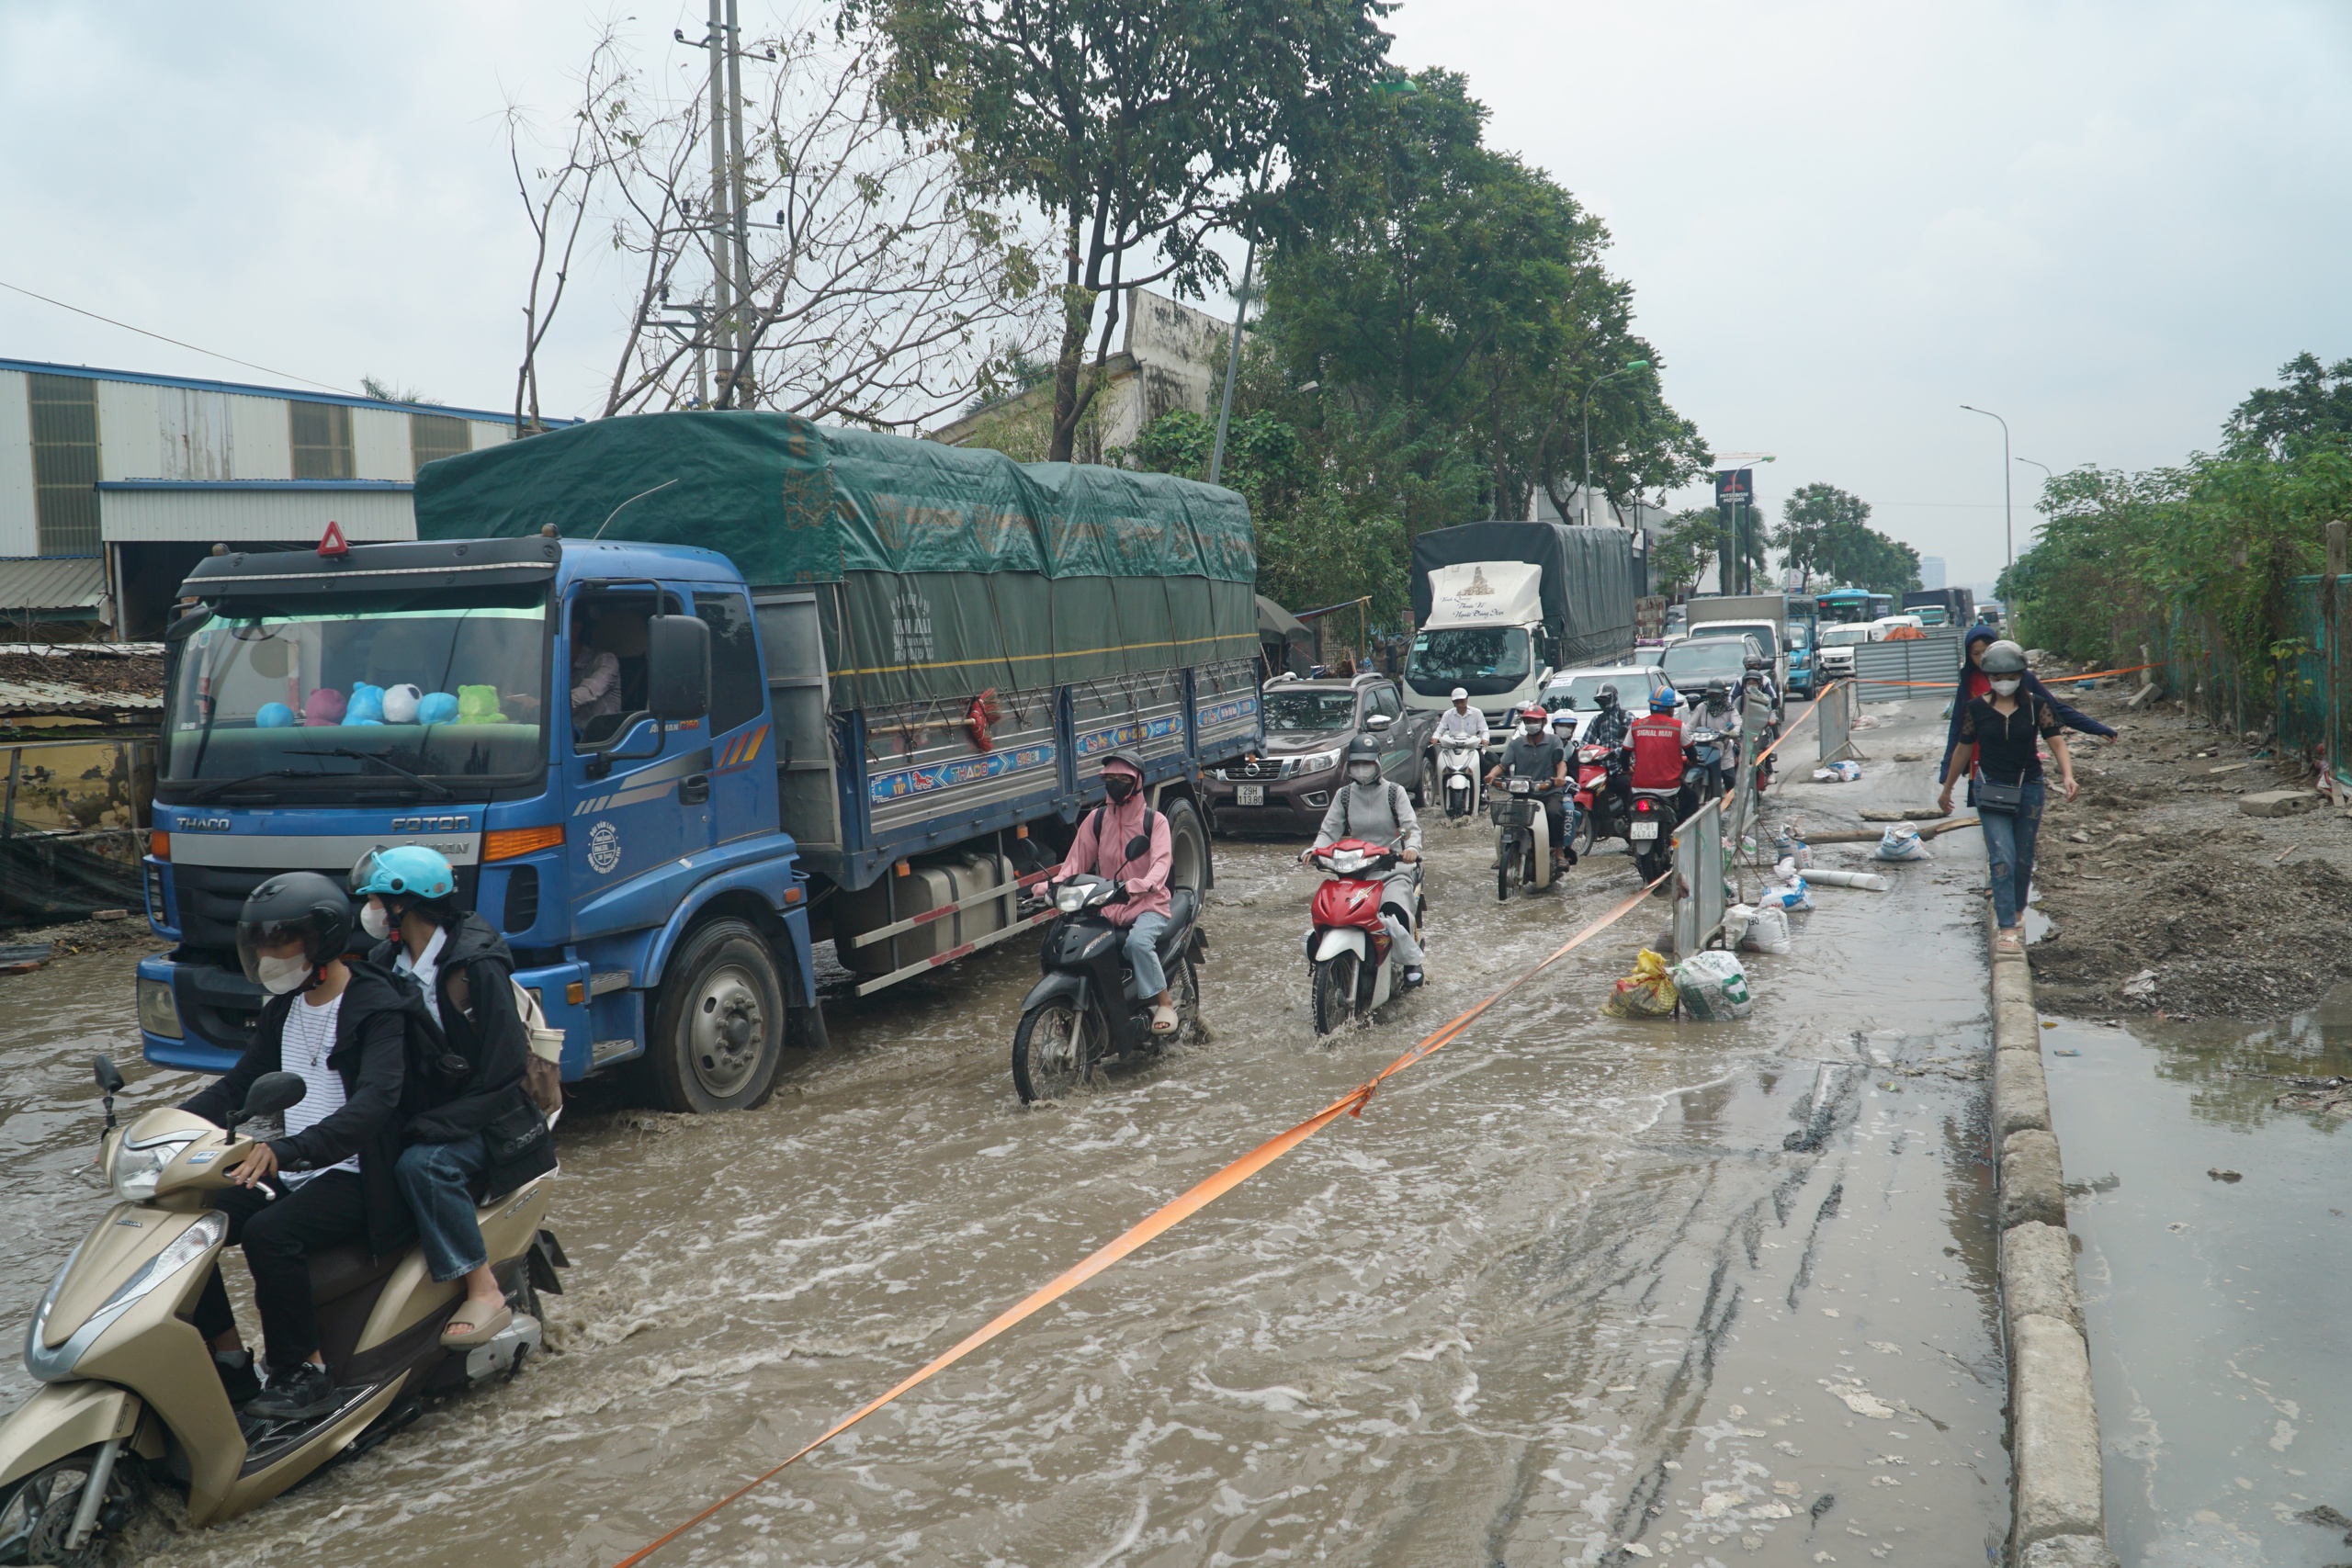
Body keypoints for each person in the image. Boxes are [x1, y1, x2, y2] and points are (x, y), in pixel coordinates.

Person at [180, 874, 436, 1421]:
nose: (269, 956)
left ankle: (305, 1371)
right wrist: (164, 1124)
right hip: (298, 1165)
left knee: (272, 1234)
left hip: (360, 1172)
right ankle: (228, 1358)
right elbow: (239, 1086)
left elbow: (375, 1104)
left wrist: (291, 1149)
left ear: (321, 939)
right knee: (185, 1220)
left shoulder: (377, 1007)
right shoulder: (286, 1007)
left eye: (281, 943)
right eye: (263, 945)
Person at [354, 845, 556, 1349]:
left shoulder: (476, 965)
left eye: (376, 900)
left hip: (493, 1120)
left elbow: (506, 1066)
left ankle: (482, 1287)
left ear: (403, 905)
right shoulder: (385, 963)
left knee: (421, 1167)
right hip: (435, 1113)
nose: (371, 911)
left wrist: (443, 1125)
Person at [1938, 639, 2078, 953]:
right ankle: (2006, 927)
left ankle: (2017, 911)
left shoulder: (2037, 706)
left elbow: (2056, 741)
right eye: (1997, 677)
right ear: (1987, 677)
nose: (2004, 682)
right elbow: (1962, 749)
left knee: (2023, 855)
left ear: (2021, 675)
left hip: (2029, 787)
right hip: (1990, 789)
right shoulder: (1975, 709)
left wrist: (2067, 775)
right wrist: (1946, 789)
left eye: (2011, 676)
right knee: (2002, 856)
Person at [1055, 750, 1180, 1032]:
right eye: (1110, 778)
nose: (1115, 783)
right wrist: (1052, 885)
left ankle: (1164, 1001)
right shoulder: (1097, 819)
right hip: (1108, 903)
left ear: (1136, 782)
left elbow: (1161, 865)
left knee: (1137, 943)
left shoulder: (1154, 821)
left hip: (1148, 903)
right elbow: (1075, 862)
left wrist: (1142, 885)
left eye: (1123, 778)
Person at [1305, 735, 1426, 986]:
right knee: (1333, 910)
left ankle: (1413, 961)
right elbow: (1329, 831)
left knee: (1394, 907)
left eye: (1368, 762)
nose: (1363, 768)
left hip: (1393, 867)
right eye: (1357, 763)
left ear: (1378, 762)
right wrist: (1315, 850)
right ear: (1349, 766)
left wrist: (1411, 848)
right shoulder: (1344, 796)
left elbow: (1411, 828)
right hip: (1357, 869)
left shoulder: (1395, 792)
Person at [1939, 624, 2113, 796]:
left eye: (1987, 650)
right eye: (1975, 654)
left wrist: (2095, 728)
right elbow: (1958, 727)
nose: (1982, 657)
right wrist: (1947, 768)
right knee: (1991, 812)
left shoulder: (2020, 676)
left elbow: (2053, 708)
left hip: (2020, 764)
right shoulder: (1969, 683)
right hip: (1983, 763)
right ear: (1969, 656)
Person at [1487, 704, 1572, 873]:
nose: (1531, 723)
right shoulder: (1516, 744)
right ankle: (1503, 853)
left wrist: (1560, 778)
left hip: (1548, 792)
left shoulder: (1554, 741)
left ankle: (1559, 852)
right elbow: (1502, 765)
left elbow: (1560, 763)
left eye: (1535, 720)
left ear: (1543, 722)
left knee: (1555, 813)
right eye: (1528, 720)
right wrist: (1491, 775)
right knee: (1504, 818)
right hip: (1522, 794)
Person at [1627, 686, 1688, 801]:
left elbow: (1624, 755)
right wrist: (1692, 761)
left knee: (1628, 809)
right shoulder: (1679, 726)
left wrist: (1627, 769)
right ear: (1670, 709)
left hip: (1638, 789)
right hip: (1669, 789)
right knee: (1692, 801)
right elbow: (1691, 753)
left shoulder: (1636, 725)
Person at [569, 607, 623, 728]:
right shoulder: (555, 664)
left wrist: (547, 705)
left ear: (576, 628)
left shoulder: (606, 660)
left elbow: (589, 692)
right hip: (568, 736)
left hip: (601, 741)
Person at [1433, 686, 1488, 750]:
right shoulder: (1448, 714)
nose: (1459, 704)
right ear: (1453, 702)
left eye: (1462, 701)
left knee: (1486, 759)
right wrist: (1436, 737)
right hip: (1453, 747)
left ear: (1467, 699)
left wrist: (1485, 739)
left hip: (1472, 747)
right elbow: (1440, 729)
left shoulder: (1477, 712)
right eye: (1457, 702)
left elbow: (1484, 730)